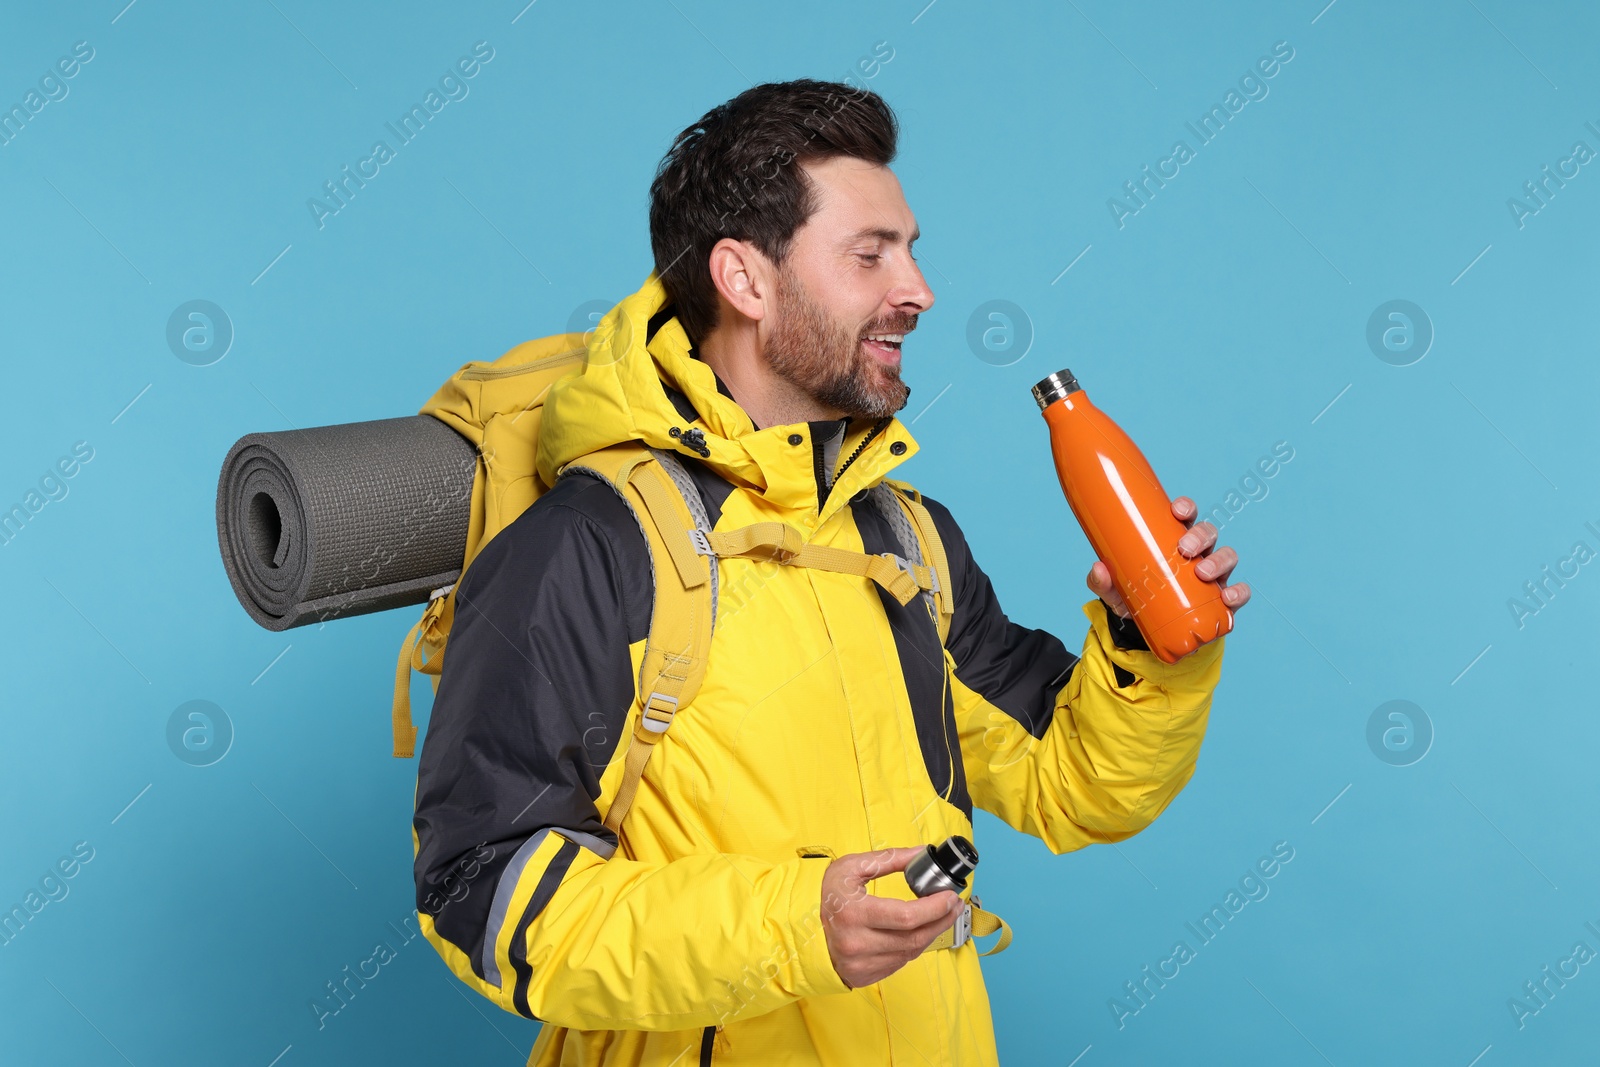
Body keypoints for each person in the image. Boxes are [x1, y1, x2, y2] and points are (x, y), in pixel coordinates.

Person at [412, 77, 1247, 1066]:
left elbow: (1072, 784)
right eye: (870, 254)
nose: (920, 289)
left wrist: (1147, 645)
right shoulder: (590, 544)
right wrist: (793, 925)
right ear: (746, 279)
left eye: (912, 247)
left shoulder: (905, 541)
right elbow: (485, 887)